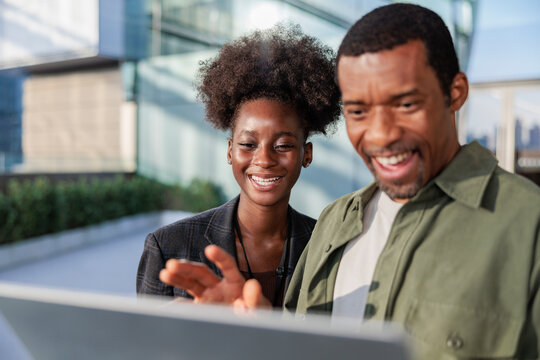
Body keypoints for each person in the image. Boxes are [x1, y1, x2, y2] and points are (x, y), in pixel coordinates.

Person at [156, 4, 540, 359]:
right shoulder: (335, 224)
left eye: (405, 104)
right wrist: (259, 334)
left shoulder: (528, 226)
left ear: (455, 94)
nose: (381, 134)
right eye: (359, 110)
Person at [136, 24, 341, 307]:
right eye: (248, 144)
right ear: (230, 151)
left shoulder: (330, 250)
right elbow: (145, 348)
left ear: (307, 154)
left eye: (282, 146)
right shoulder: (169, 246)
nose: (265, 160)